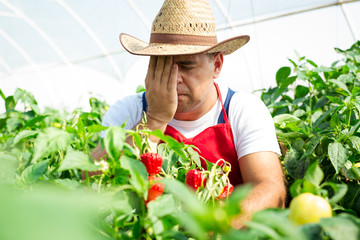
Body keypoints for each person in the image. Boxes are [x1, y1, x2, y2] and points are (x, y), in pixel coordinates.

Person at [92, 0, 286, 228]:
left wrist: (218, 224)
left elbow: (270, 190)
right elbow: (94, 182)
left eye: (186, 65)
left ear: (216, 65)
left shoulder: (242, 109)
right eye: (163, 66)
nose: (174, 78)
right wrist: (154, 120)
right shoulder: (129, 110)